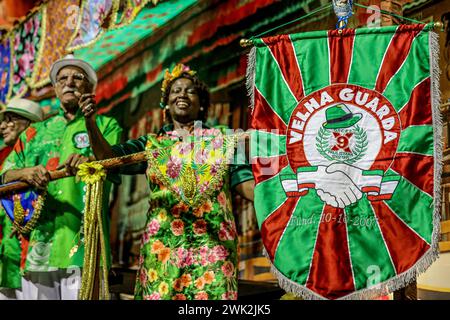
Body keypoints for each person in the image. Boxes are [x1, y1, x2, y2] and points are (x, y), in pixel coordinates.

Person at [84, 63, 255, 300]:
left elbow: (244, 183)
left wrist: (280, 195)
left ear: (202, 103)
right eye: (175, 91)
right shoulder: (151, 145)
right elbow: (107, 158)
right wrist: (90, 123)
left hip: (213, 246)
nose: (182, 94)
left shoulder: (224, 139)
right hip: (162, 249)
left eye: (190, 91)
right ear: (165, 103)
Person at [0, 55, 122, 300]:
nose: (70, 83)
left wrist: (90, 125)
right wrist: (27, 172)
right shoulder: (35, 132)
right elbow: (5, 175)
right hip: (40, 248)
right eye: (62, 78)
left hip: (84, 248)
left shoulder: (106, 124)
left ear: (89, 88)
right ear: (55, 88)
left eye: (78, 78)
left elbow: (110, 163)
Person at [0, 98, 44, 300]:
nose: (2, 126)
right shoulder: (4, 155)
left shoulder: (41, 152)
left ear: (29, 124)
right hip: (6, 251)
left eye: (10, 120)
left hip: (32, 246)